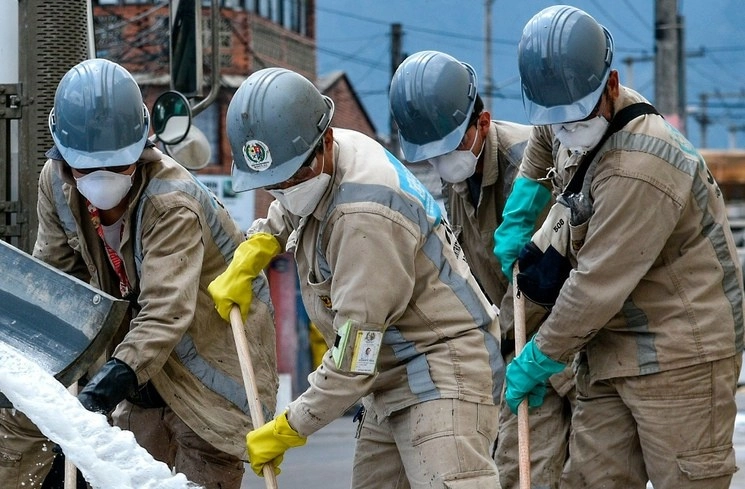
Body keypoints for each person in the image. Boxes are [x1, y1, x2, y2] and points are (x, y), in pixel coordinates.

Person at [208, 66, 504, 488]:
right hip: (391, 374)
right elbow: (294, 202)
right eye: (273, 183)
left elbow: (353, 359)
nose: (285, 189)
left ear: (324, 142)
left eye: (292, 177)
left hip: (441, 368)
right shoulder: (327, 150)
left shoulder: (363, 218)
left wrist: (291, 426)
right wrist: (261, 243)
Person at [496, 5, 744, 489]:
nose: (564, 127)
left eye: (573, 117)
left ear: (611, 84)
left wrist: (538, 357)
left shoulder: (640, 165)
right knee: (591, 479)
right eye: (553, 117)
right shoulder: (565, 107)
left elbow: (594, 285)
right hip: (610, 344)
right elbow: (546, 141)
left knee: (685, 481)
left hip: (680, 351)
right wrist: (523, 207)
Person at [0, 58, 279, 489]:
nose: (102, 180)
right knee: (129, 474)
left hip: (206, 369)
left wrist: (102, 388)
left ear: (142, 151)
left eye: (118, 166)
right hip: (141, 370)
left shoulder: (172, 201)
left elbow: (165, 312)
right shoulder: (55, 184)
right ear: (63, 158)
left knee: (199, 476)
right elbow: (56, 286)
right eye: (86, 169)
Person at [389, 49, 574, 489]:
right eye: (429, 156)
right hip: (511, 348)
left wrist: (512, 351)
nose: (439, 165)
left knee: (536, 471)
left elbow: (548, 281)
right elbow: (469, 273)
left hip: (553, 345)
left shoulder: (528, 164)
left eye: (447, 149)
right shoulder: (456, 177)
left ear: (483, 123)